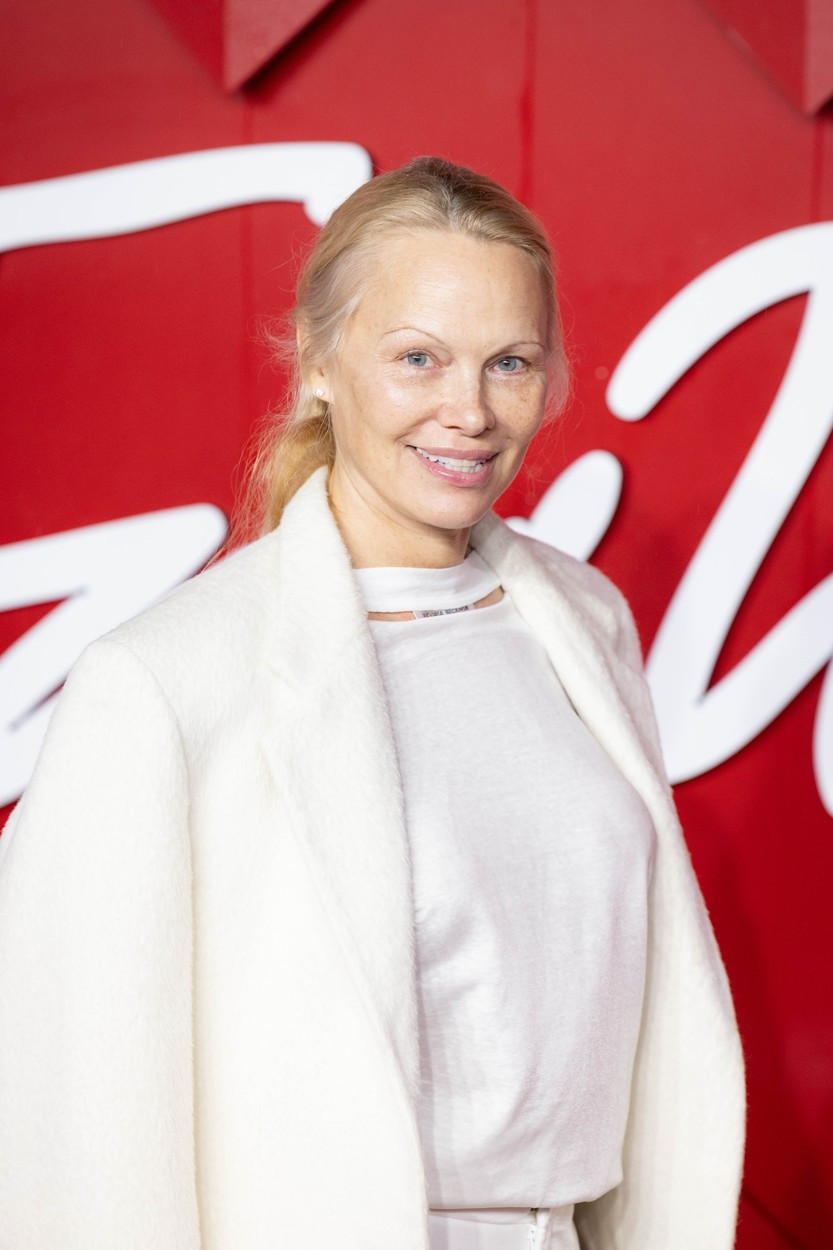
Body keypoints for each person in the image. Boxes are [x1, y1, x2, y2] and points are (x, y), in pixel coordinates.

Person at [0, 157, 744, 1250]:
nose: (469, 411)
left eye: (508, 362)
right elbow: (77, 1130)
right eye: (416, 358)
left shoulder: (585, 621)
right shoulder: (162, 684)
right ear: (318, 362)